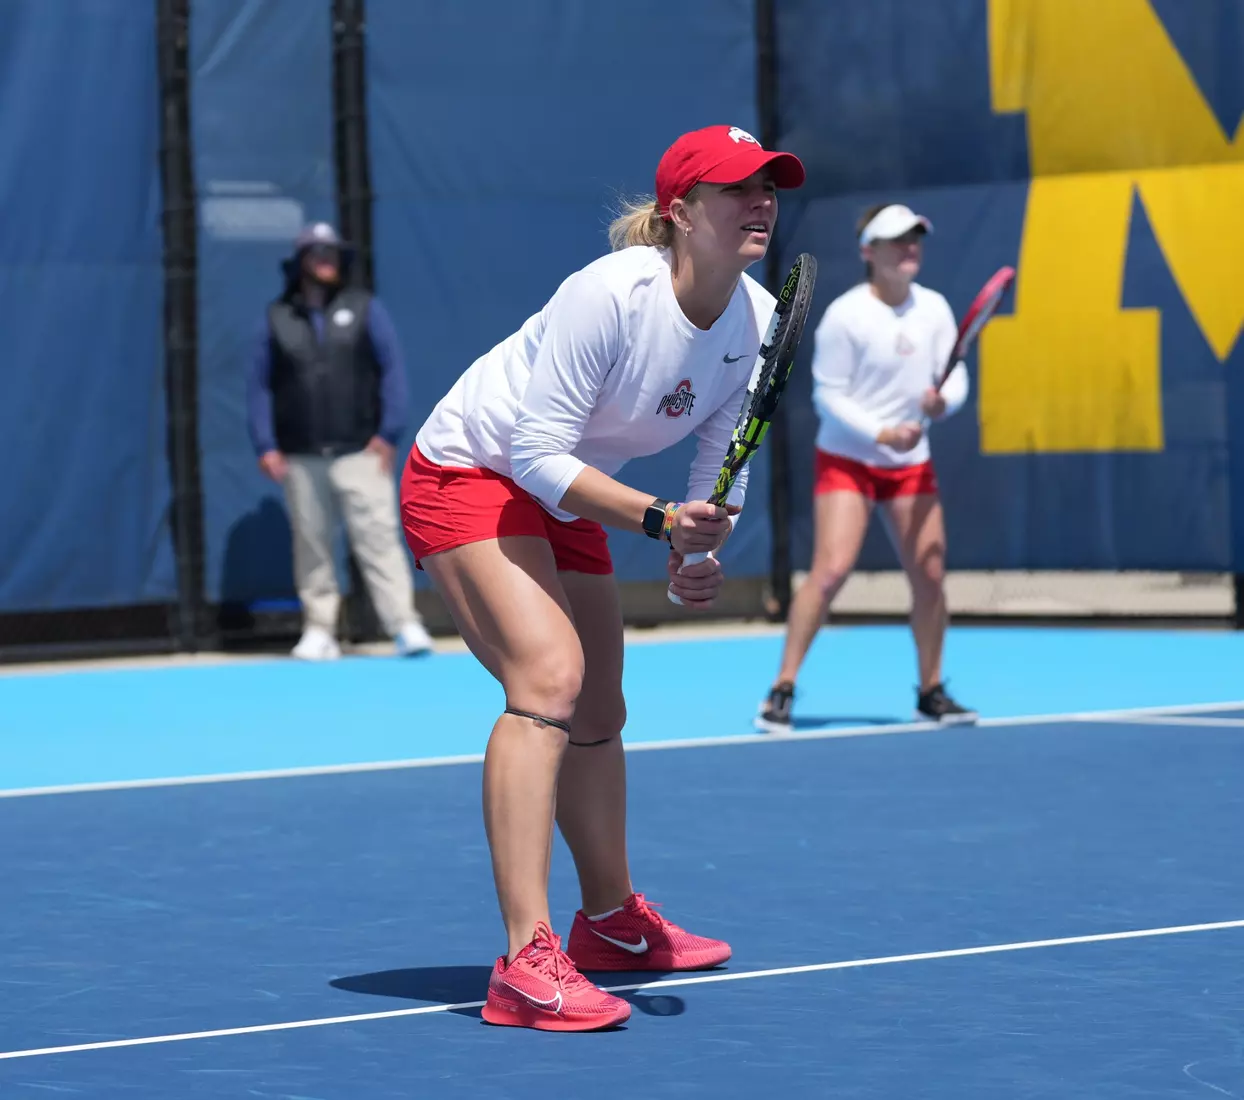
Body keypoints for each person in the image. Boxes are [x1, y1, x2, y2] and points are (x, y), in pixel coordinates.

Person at [399, 125, 805, 1031]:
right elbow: (534, 452)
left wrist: (697, 546)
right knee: (547, 679)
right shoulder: (609, 296)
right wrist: (659, 521)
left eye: (770, 186)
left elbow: (719, 450)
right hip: (471, 469)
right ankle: (523, 960)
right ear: (680, 212)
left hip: (571, 489)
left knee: (600, 706)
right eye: (738, 188)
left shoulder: (760, 318)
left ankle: (610, 922)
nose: (762, 202)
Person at [756, 203, 977, 732]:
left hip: (910, 464)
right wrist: (881, 433)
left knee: (929, 574)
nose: (909, 248)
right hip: (849, 458)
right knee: (830, 571)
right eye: (897, 240)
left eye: (915, 239)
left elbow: (956, 375)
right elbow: (829, 397)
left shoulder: (936, 309)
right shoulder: (847, 316)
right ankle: (782, 688)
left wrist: (943, 403)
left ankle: (931, 691)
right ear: (868, 253)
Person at [247, 222, 433, 661]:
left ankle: (404, 624)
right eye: (317, 253)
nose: (326, 260)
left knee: (379, 537)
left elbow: (392, 372)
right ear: (301, 263)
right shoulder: (277, 317)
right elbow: (258, 386)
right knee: (310, 541)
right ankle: (319, 629)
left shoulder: (365, 308)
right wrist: (265, 444)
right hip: (300, 455)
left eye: (332, 253)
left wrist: (388, 434)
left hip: (360, 451)